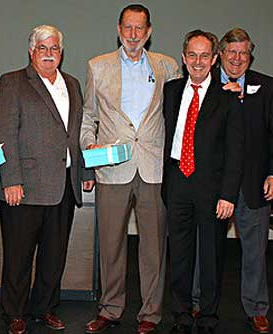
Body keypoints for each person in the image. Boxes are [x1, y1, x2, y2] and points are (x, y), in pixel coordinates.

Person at [80, 4, 180, 334]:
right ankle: (110, 308)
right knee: (111, 244)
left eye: (140, 29)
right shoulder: (98, 66)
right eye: (128, 28)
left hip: (154, 168)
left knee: (153, 246)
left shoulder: (168, 66)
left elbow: (182, 114)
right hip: (112, 168)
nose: (133, 35)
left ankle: (150, 313)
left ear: (149, 31)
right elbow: (88, 117)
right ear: (119, 30)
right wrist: (89, 148)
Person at [0, 25, 94, 334]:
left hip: (64, 185)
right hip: (23, 188)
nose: (49, 54)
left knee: (54, 256)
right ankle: (15, 313)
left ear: (61, 53)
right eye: (42, 49)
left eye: (54, 49)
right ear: (31, 52)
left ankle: (45, 308)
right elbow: (4, 133)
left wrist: (85, 172)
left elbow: (77, 134)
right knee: (18, 257)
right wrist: (10, 179)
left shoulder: (73, 85)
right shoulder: (12, 82)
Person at [162, 30, 244, 334]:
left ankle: (208, 316)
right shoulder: (170, 91)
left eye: (204, 55)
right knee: (179, 254)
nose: (198, 61)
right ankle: (181, 314)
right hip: (176, 182)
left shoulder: (228, 98)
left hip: (212, 190)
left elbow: (236, 153)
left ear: (214, 59)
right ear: (184, 58)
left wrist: (228, 195)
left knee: (211, 256)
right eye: (192, 55)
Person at [218, 28, 273, 334]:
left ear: (250, 55)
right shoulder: (204, 85)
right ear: (221, 54)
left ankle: (257, 309)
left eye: (243, 53)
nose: (237, 59)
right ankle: (197, 303)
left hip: (255, 185)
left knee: (255, 252)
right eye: (231, 52)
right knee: (204, 248)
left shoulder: (268, 86)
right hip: (214, 186)